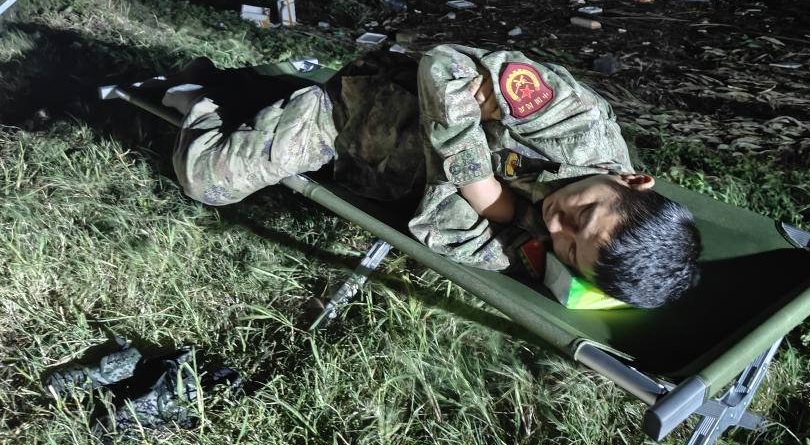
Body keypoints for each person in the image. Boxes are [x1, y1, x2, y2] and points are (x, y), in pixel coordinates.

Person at [161, 44, 702, 308]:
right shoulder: (572, 120)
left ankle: (251, 98)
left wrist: (493, 195)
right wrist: (477, 184)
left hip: (371, 171)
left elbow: (442, 232)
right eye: (583, 216)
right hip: (357, 112)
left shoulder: (547, 241)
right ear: (634, 182)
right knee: (208, 180)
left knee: (214, 177)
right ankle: (212, 93)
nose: (556, 225)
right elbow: (443, 65)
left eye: (568, 248)